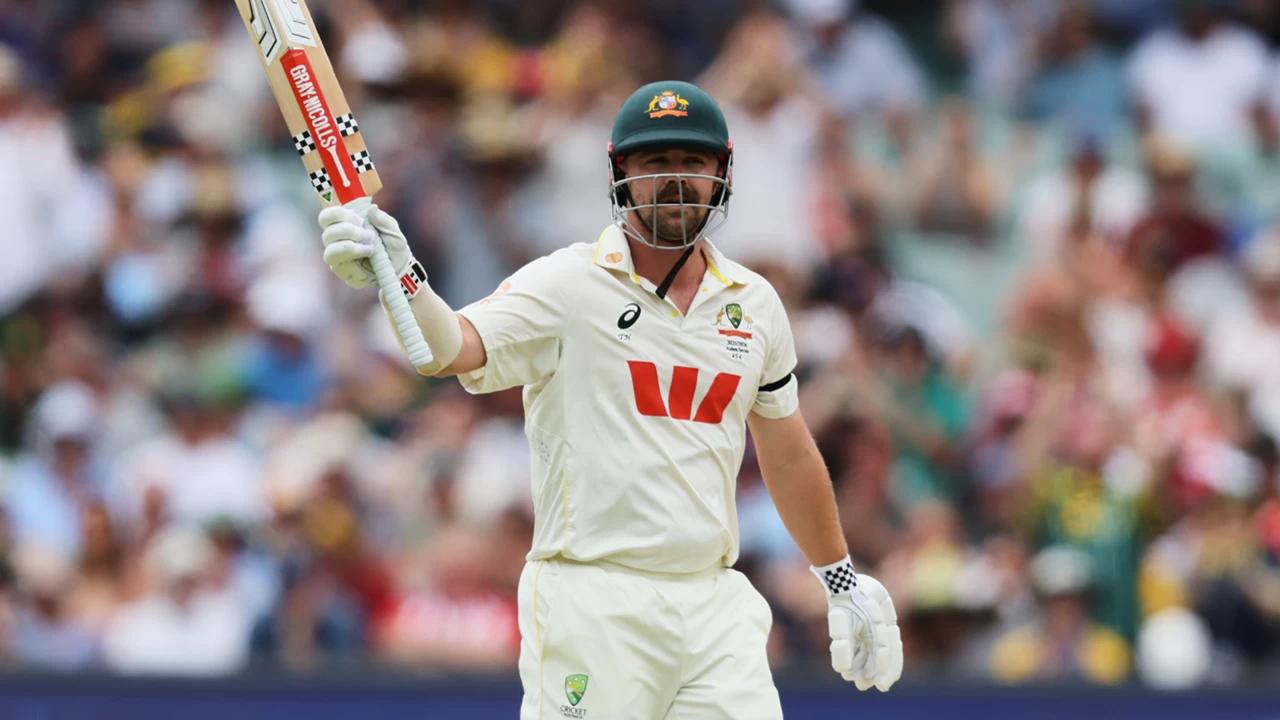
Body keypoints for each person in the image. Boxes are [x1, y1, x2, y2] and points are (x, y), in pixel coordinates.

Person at [317, 80, 903, 718]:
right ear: (621, 173)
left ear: (722, 175)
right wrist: (396, 277)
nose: (676, 180)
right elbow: (449, 348)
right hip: (592, 599)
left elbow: (788, 455)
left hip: (715, 604)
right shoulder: (570, 282)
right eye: (656, 163)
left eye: (694, 163)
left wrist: (840, 579)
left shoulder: (755, 304)